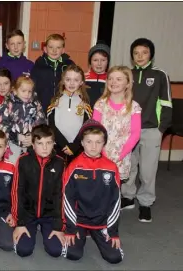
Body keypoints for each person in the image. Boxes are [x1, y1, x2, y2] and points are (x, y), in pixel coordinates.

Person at [63, 119, 124, 264]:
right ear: (82, 143)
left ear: (104, 143)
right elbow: (67, 198)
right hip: (79, 220)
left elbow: (115, 201)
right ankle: (81, 233)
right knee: (73, 254)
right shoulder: (74, 166)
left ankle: (98, 233)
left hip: (101, 222)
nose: (93, 146)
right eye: (89, 141)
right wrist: (70, 228)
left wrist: (113, 232)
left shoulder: (111, 167)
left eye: (98, 142)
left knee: (114, 258)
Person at [126, 38, 172, 222]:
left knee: (147, 170)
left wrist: (161, 129)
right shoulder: (127, 73)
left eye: (144, 52)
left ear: (151, 54)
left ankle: (145, 203)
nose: (140, 56)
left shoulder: (160, 75)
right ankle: (127, 196)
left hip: (151, 130)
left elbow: (166, 103)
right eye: (136, 53)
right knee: (129, 166)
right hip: (129, 129)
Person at [12, 124, 65, 258]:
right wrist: (20, 223)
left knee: (55, 251)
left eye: (49, 143)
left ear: (54, 143)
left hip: (49, 215)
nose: (45, 147)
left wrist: (59, 226)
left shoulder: (59, 163)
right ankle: (32, 227)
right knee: (23, 251)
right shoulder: (23, 161)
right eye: (40, 143)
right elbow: (17, 192)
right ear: (33, 144)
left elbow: (61, 195)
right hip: (28, 214)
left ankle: (44, 227)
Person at [93, 66, 141, 184]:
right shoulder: (100, 104)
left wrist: (119, 156)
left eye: (119, 79)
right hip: (100, 153)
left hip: (121, 157)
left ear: (128, 84)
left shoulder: (134, 107)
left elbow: (135, 134)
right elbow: (94, 130)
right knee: (98, 187)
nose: (113, 82)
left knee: (114, 189)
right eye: (110, 79)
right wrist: (102, 152)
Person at [47, 64, 92, 162]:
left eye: (76, 80)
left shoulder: (85, 105)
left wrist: (74, 146)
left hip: (77, 148)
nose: (71, 83)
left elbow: (85, 127)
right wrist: (64, 145)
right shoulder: (55, 102)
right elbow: (51, 125)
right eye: (68, 79)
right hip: (58, 147)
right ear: (63, 81)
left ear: (81, 82)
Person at [0, 76, 47, 164]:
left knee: (30, 169)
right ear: (15, 91)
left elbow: (42, 124)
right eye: (23, 91)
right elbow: (1, 125)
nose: (27, 94)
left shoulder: (36, 104)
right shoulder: (7, 104)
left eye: (29, 91)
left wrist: (33, 137)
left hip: (32, 145)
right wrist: (15, 136)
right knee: (12, 167)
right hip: (11, 144)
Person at [30, 34, 75, 111]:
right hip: (42, 107)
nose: (54, 51)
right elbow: (32, 86)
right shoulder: (39, 65)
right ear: (45, 49)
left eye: (58, 47)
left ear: (63, 50)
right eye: (51, 47)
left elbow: (76, 84)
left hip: (63, 107)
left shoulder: (69, 65)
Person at [85, 42, 110, 108]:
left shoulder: (111, 79)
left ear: (108, 62)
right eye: (95, 60)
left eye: (103, 60)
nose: (99, 63)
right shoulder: (83, 78)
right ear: (90, 62)